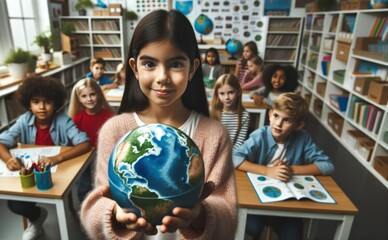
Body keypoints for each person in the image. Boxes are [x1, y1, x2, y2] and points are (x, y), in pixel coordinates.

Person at [80, 9, 237, 239]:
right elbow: (94, 211)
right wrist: (114, 213)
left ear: (193, 68)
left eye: (175, 64)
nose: (162, 76)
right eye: (149, 64)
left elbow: (228, 218)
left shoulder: (214, 135)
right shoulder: (114, 131)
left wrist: (202, 215)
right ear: (134, 68)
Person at [0, 75, 91, 240]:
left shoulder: (63, 121)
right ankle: (36, 218)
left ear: (55, 104)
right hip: (32, 173)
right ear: (29, 104)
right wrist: (8, 159)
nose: (42, 107)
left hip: (58, 174)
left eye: (47, 102)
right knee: (14, 203)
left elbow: (85, 144)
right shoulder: (24, 120)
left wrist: (57, 158)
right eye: (36, 102)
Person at [233, 93, 335, 240]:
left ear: (298, 125)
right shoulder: (259, 136)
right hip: (258, 199)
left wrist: (291, 170)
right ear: (270, 115)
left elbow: (327, 166)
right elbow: (234, 157)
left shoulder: (303, 138)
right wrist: (268, 171)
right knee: (253, 228)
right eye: (276, 116)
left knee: (292, 235)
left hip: (289, 203)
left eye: (287, 120)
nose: (278, 124)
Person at [68, 78, 115, 202]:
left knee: (105, 187)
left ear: (99, 94)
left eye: (92, 94)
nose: (89, 99)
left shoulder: (109, 116)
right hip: (84, 159)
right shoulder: (76, 118)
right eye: (84, 96)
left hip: (104, 157)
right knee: (83, 188)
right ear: (78, 98)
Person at [210, 73, 250, 149]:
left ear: (238, 92)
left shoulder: (244, 116)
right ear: (217, 95)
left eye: (231, 92)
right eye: (222, 93)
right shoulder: (211, 113)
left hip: (232, 155)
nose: (227, 97)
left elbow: (239, 143)